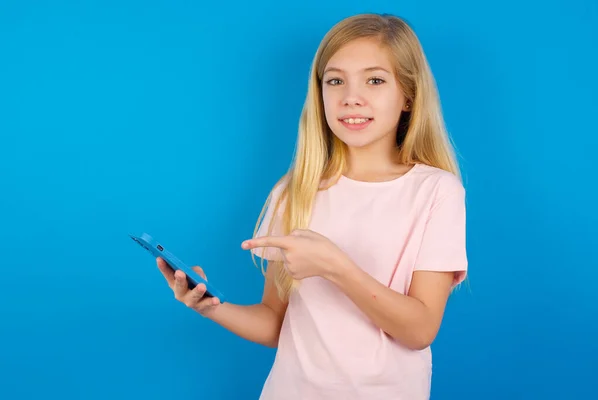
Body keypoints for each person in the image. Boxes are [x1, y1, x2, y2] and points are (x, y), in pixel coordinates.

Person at [156, 12, 468, 400]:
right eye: (335, 81)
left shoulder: (436, 191)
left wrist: (336, 267)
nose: (351, 97)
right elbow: (274, 323)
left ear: (408, 95)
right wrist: (210, 306)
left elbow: (420, 330)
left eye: (374, 80)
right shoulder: (294, 191)